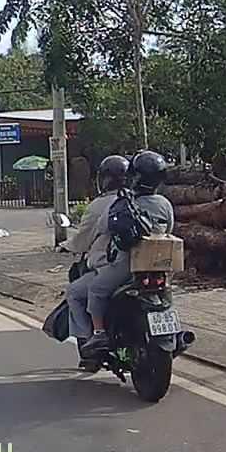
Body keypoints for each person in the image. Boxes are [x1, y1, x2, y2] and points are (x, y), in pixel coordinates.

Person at [71, 151, 175, 359]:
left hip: (126, 265)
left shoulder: (124, 202)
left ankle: (99, 333)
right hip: (159, 264)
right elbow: (170, 227)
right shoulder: (164, 203)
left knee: (96, 290)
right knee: (166, 295)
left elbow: (103, 227)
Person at [62, 155, 129, 367]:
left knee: (74, 292)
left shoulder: (100, 207)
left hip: (111, 266)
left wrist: (67, 245)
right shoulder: (145, 200)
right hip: (144, 267)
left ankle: (91, 341)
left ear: (104, 179)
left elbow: (83, 239)